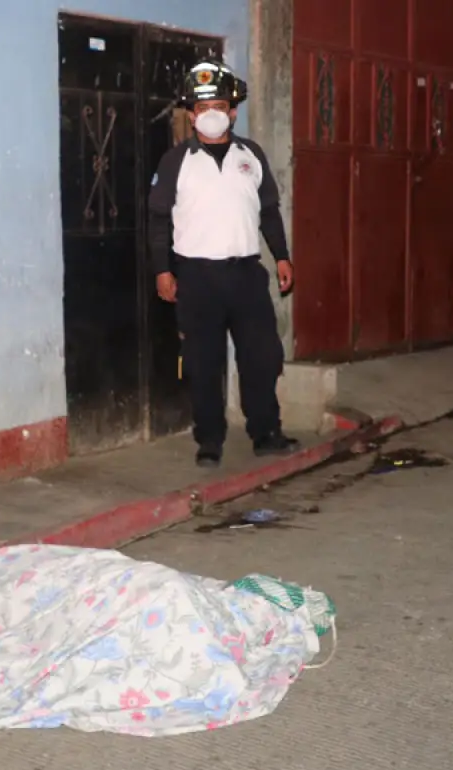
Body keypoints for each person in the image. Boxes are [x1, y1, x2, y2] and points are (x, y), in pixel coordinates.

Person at [147, 60, 298, 468]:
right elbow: (159, 220)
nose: (210, 113)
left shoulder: (252, 155)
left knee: (262, 356)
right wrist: (163, 270)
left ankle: (266, 432)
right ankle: (209, 440)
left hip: (247, 274)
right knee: (202, 362)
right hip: (197, 278)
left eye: (218, 104)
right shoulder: (175, 161)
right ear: (191, 115)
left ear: (232, 110)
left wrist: (282, 256)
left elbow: (269, 211)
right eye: (201, 107)